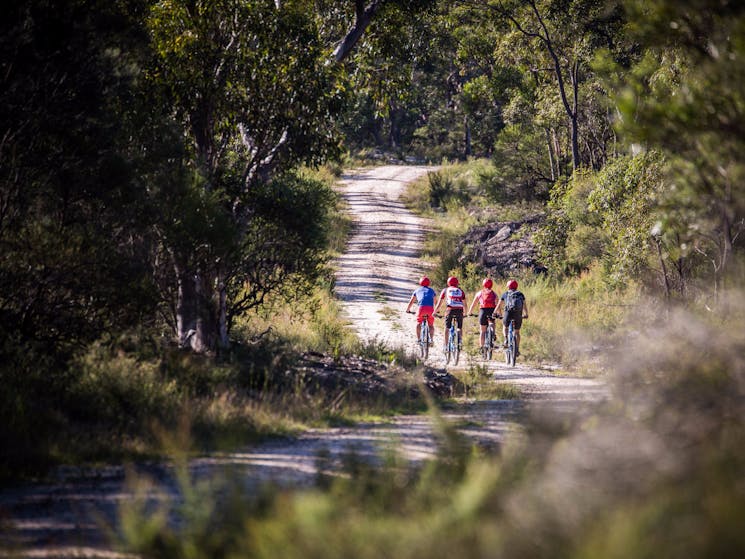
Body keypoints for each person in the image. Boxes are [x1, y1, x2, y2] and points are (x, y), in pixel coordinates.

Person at [494, 279, 528, 355]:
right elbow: (524, 305)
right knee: (517, 332)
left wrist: (494, 312)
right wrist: (526, 314)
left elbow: (499, 305)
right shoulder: (520, 294)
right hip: (518, 314)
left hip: (508, 313)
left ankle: (506, 339)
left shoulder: (505, 294)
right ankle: (517, 349)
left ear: (508, 287)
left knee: (505, 327)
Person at [433, 276, 466, 353]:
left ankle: (446, 345)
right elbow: (465, 304)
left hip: (450, 309)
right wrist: (465, 313)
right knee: (459, 327)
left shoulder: (446, 290)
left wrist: (434, 312)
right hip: (459, 310)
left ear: (448, 283)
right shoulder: (461, 291)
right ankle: (460, 342)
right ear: (457, 283)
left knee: (447, 327)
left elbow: (439, 303)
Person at [467, 278, 498, 350]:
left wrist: (470, 312)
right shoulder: (494, 293)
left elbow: (473, 303)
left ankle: (482, 347)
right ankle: (492, 333)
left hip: (483, 311)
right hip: (492, 310)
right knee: (492, 322)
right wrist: (499, 313)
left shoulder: (479, 293)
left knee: (483, 331)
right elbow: (497, 304)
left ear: (483, 284)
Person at [405, 276, 436, 345]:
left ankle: (419, 339)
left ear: (420, 283)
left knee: (419, 323)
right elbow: (435, 302)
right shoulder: (432, 290)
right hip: (430, 309)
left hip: (421, 309)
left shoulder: (417, 290)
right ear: (429, 283)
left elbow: (411, 302)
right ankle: (431, 340)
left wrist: (408, 310)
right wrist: (437, 311)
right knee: (431, 325)